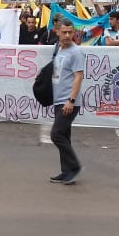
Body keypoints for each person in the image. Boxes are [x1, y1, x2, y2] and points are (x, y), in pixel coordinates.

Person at [49, 18, 85, 185]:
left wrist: (71, 100)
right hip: (58, 99)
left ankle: (74, 166)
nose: (68, 35)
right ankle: (67, 172)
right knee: (64, 135)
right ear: (57, 32)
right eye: (64, 32)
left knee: (56, 134)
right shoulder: (57, 48)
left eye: (70, 32)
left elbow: (78, 77)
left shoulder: (76, 52)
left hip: (69, 101)